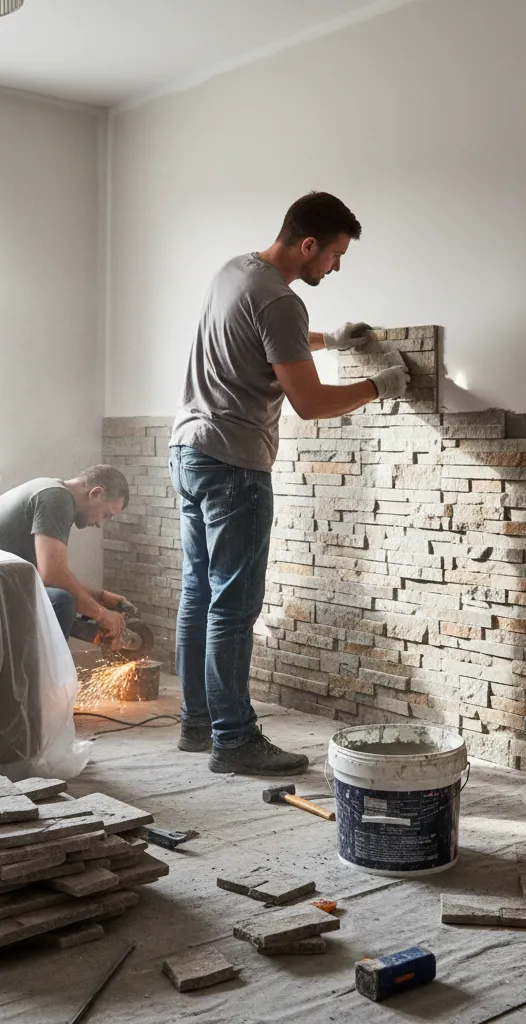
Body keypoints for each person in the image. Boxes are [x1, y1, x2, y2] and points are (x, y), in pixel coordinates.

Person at [169, 191, 410, 776]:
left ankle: (199, 724)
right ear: (308, 245)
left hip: (188, 451)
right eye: (335, 255)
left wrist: (333, 340)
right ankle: (235, 740)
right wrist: (381, 385)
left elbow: (264, 343)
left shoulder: (235, 271)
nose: (336, 266)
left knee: (199, 594)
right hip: (234, 464)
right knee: (234, 605)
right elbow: (308, 401)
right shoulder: (281, 301)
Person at [0, 465, 130, 644]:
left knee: (64, 600)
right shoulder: (57, 499)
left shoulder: (50, 489)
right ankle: (45, 673)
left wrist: (99, 597)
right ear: (96, 493)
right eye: (106, 515)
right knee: (61, 602)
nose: (100, 524)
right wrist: (101, 614)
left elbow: (47, 576)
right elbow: (53, 577)